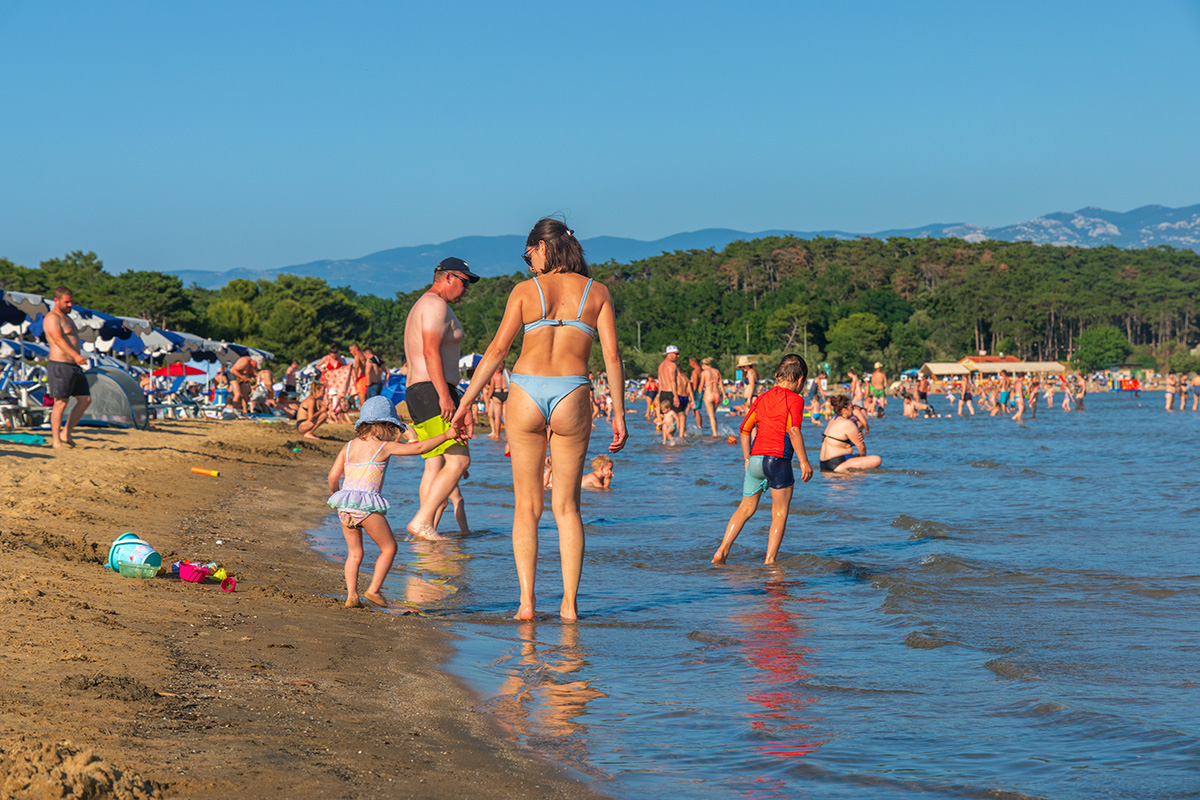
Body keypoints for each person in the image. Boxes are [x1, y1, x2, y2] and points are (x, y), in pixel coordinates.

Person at [451, 218, 627, 621]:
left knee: (526, 507)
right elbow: (613, 357)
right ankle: (569, 606)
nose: (528, 264)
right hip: (572, 390)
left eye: (529, 254)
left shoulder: (525, 292)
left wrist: (466, 405)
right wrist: (618, 412)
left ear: (543, 248)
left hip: (526, 390)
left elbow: (497, 350)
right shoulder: (597, 292)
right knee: (567, 508)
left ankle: (527, 604)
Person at [327, 396, 464, 608]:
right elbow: (419, 449)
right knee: (389, 548)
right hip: (367, 507)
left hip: (344, 506)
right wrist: (447, 435)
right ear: (384, 425)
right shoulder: (384, 447)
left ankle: (352, 596)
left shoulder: (348, 447)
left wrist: (340, 497)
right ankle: (373, 590)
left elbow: (333, 477)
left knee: (354, 554)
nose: (393, 434)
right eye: (392, 428)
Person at [403, 257, 480, 541]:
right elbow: (430, 352)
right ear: (447, 277)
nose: (466, 289)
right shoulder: (435, 305)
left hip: (420, 391)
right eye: (464, 282)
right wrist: (446, 396)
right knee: (459, 462)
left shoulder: (423, 303)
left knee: (435, 462)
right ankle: (422, 521)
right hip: (432, 390)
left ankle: (427, 527)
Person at [712, 354, 814, 566]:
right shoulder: (796, 399)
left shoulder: (762, 398)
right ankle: (770, 561)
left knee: (745, 508)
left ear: (777, 376)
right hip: (778, 460)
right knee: (779, 512)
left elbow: (744, 429)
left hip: (756, 459)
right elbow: (794, 430)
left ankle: (722, 550)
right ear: (800, 380)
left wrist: (747, 458)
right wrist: (804, 462)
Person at [42, 287, 92, 449]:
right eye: (67, 302)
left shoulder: (67, 318)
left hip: (73, 365)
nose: (70, 304)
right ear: (56, 300)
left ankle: (66, 433)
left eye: (71, 301)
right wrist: (76, 355)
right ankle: (56, 440)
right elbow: (57, 339)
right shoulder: (52, 318)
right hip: (60, 364)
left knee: (85, 400)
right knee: (60, 402)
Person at [819, 395, 882, 473]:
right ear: (844, 410)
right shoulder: (848, 423)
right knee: (877, 459)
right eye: (852, 407)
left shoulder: (833, 421)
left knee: (857, 457)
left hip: (824, 464)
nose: (853, 410)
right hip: (837, 464)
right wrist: (863, 459)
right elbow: (861, 447)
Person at [700, 357, 726, 436]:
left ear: (704, 365)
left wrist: (697, 396)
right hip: (717, 394)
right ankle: (716, 431)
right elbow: (721, 384)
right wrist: (724, 395)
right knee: (713, 415)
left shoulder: (704, 373)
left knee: (711, 416)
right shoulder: (716, 371)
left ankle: (715, 434)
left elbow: (701, 386)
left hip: (708, 394)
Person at [657, 346, 682, 425]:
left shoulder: (661, 365)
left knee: (665, 417)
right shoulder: (672, 365)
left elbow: (660, 382)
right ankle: (680, 436)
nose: (678, 356)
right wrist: (675, 396)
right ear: (670, 354)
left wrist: (658, 395)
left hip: (663, 393)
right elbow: (672, 381)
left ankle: (664, 436)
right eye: (676, 354)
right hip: (670, 392)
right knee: (680, 415)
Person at [484, 367, 509, 440]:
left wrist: (488, 398)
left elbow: (492, 388)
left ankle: (497, 435)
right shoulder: (506, 373)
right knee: (505, 417)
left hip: (497, 394)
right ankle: (507, 436)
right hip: (506, 392)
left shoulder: (494, 375)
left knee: (497, 417)